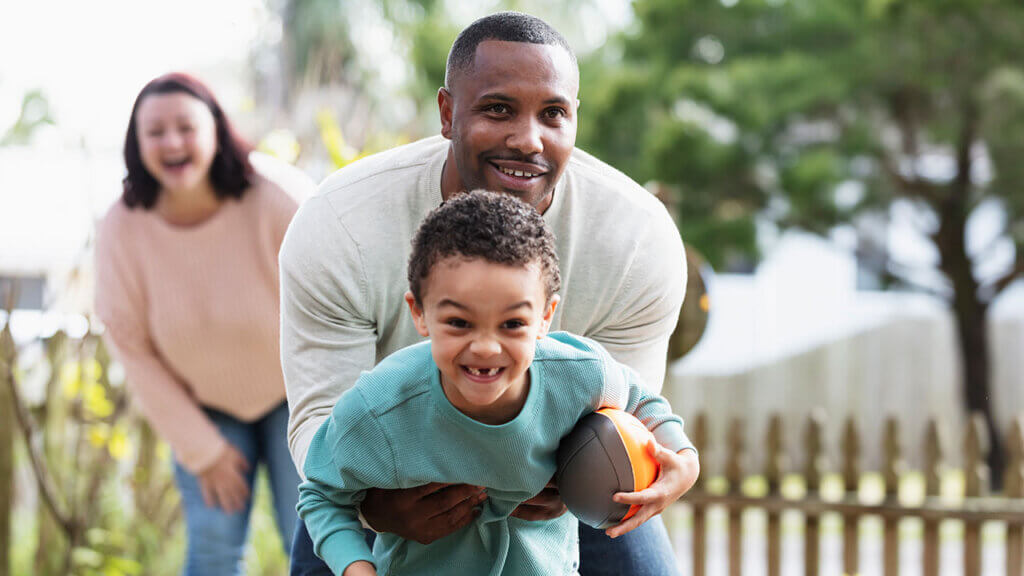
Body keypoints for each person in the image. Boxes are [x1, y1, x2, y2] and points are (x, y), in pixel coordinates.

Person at [281, 11, 699, 576]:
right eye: (498, 109)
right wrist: (376, 508)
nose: (528, 139)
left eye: (553, 114)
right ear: (448, 113)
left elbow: (628, 409)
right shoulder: (340, 226)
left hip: (551, 480)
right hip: (391, 475)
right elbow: (322, 427)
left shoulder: (636, 243)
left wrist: (663, 463)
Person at [297, 191, 698, 576]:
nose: (486, 348)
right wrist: (358, 569)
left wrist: (685, 460)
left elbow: (640, 398)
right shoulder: (379, 409)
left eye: (512, 324)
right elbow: (322, 496)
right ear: (418, 313)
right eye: (458, 322)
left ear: (545, 317)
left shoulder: (581, 374)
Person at [94, 72, 314, 575]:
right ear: (137, 144)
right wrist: (201, 448)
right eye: (155, 132)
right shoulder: (121, 227)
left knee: (314, 541)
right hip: (204, 410)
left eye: (185, 127)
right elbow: (129, 343)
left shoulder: (279, 194)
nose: (171, 142)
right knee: (213, 553)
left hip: (299, 397)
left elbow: (344, 289)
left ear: (216, 129)